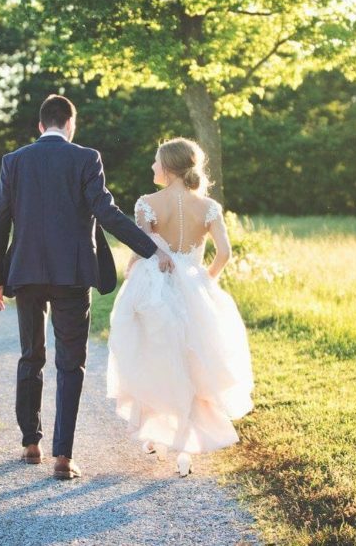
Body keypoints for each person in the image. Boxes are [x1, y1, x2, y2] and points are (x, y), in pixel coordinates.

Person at [0, 94, 174, 480]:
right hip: (72, 276)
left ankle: (30, 443)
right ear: (71, 124)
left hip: (26, 272)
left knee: (30, 355)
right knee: (71, 364)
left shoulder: (14, 161)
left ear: (41, 126)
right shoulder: (86, 158)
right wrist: (151, 249)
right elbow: (106, 212)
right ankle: (63, 458)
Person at [106, 137, 254, 477]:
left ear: (169, 167)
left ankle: (157, 434)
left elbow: (143, 248)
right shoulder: (209, 206)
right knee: (191, 363)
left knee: (152, 356)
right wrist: (206, 280)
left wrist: (130, 272)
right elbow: (225, 253)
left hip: (155, 290)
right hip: (194, 287)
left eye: (156, 162)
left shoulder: (148, 203)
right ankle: (183, 448)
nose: (152, 167)